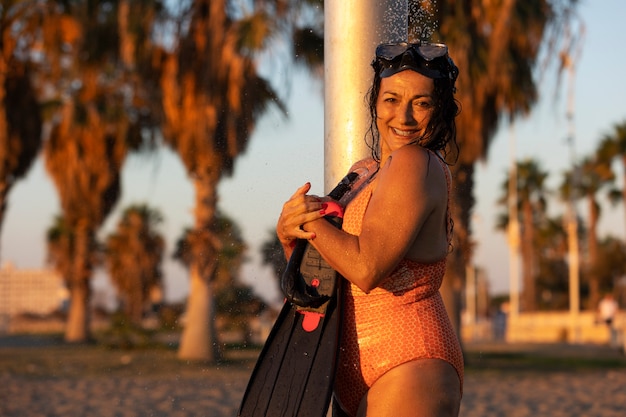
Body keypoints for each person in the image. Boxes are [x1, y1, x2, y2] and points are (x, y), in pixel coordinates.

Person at [276, 41, 463, 417]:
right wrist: (289, 232)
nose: (404, 117)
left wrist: (309, 220)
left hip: (409, 366)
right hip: (347, 368)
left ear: (439, 111)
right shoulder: (365, 170)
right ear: (375, 102)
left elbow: (366, 268)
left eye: (422, 103)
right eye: (391, 99)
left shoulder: (416, 163)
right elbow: (324, 272)